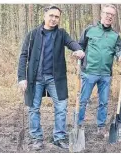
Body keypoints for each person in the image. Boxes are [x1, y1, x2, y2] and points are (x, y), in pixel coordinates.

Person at [17, 5, 85, 150]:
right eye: (51, 16)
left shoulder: (61, 33)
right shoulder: (32, 34)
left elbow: (71, 43)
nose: (54, 19)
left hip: (56, 78)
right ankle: (37, 138)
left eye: (57, 17)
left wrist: (78, 49)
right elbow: (23, 56)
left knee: (61, 107)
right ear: (45, 16)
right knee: (33, 109)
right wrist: (22, 78)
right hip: (35, 78)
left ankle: (59, 138)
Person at [77, 4, 121, 137]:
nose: (109, 16)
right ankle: (78, 124)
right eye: (107, 13)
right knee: (83, 100)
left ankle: (101, 127)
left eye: (112, 15)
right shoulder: (90, 30)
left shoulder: (115, 35)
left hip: (105, 74)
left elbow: (118, 50)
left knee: (103, 102)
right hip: (89, 72)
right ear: (101, 14)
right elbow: (80, 45)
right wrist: (78, 53)